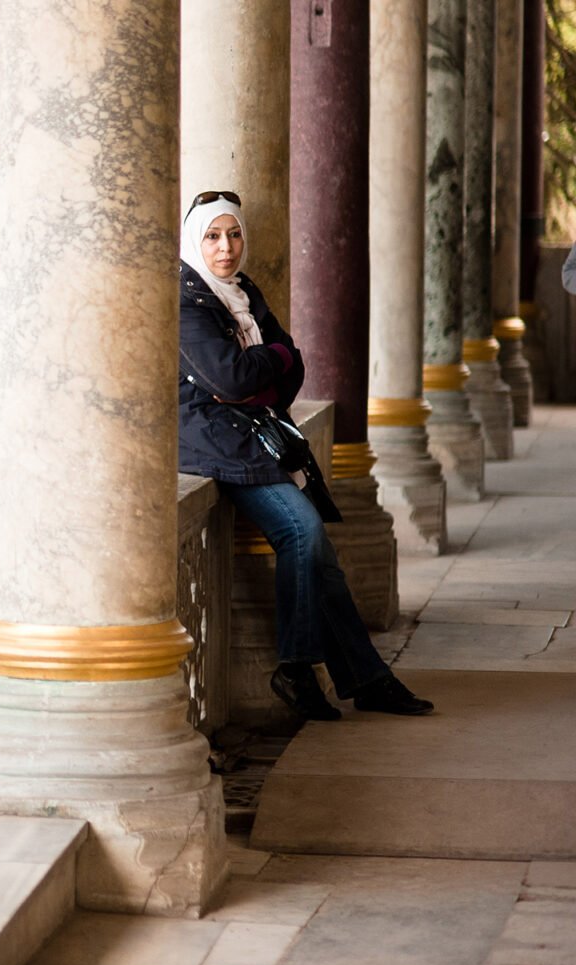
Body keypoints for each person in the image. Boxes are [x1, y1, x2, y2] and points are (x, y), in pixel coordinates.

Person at [177, 190, 433, 720]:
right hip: (213, 442)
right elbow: (230, 377)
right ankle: (295, 667)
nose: (226, 247)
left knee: (323, 562)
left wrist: (262, 366)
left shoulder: (243, 292)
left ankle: (367, 679)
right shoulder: (185, 299)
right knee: (303, 531)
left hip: (253, 432)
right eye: (212, 236)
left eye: (234, 234)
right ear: (193, 241)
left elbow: (290, 370)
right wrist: (263, 365)